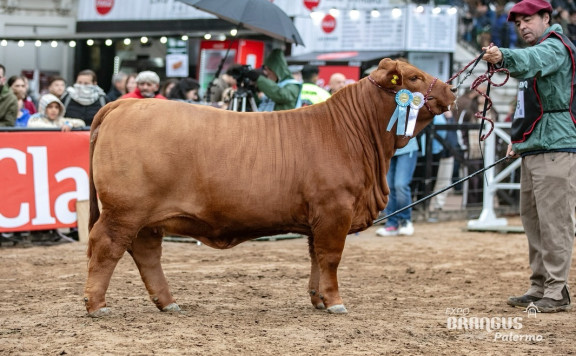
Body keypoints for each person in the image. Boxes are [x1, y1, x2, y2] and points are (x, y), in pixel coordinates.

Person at [482, 0, 576, 313]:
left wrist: (503, 55)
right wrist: (520, 138)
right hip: (535, 144)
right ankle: (539, 286)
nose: (523, 26)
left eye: (528, 20)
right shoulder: (541, 50)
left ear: (546, 18)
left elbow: (531, 60)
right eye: (518, 22)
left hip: (557, 144)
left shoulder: (554, 47)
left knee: (555, 222)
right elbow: (527, 103)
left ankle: (556, 289)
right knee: (533, 221)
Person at [375, 137, 419, 237]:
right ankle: (392, 223)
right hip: (388, 148)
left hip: (407, 146)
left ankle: (406, 221)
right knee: (388, 187)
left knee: (401, 185)